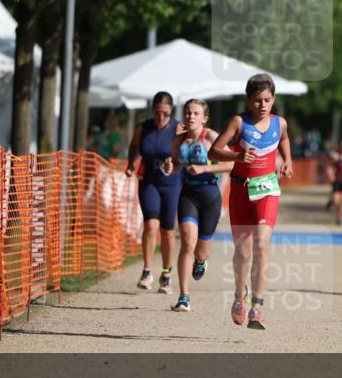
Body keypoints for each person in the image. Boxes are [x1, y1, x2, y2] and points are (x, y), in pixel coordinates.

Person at [210, 74, 293, 330]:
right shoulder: (239, 122)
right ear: (248, 101)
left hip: (267, 189)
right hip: (240, 191)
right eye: (257, 101)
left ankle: (257, 308)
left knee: (261, 244)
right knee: (243, 252)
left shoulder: (280, 123)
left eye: (267, 100)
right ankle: (239, 296)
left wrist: (287, 160)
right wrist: (237, 154)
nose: (263, 105)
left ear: (274, 99)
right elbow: (214, 151)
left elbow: (284, 139)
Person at [168, 99, 233, 312]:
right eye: (187, 112)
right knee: (187, 241)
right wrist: (170, 165)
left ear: (204, 118)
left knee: (201, 251)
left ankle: (200, 262)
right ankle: (184, 297)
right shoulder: (177, 141)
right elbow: (176, 166)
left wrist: (205, 169)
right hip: (188, 195)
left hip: (210, 196)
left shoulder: (212, 137)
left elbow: (231, 163)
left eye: (196, 113)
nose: (191, 116)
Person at [125, 92, 183, 294]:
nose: (161, 118)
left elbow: (184, 155)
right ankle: (147, 271)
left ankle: (166, 274)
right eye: (158, 113)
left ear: (171, 112)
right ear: (152, 111)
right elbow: (134, 146)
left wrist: (174, 163)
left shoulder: (178, 129)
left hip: (172, 183)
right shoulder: (143, 128)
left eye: (166, 114)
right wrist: (131, 164)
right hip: (149, 181)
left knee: (167, 230)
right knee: (150, 224)